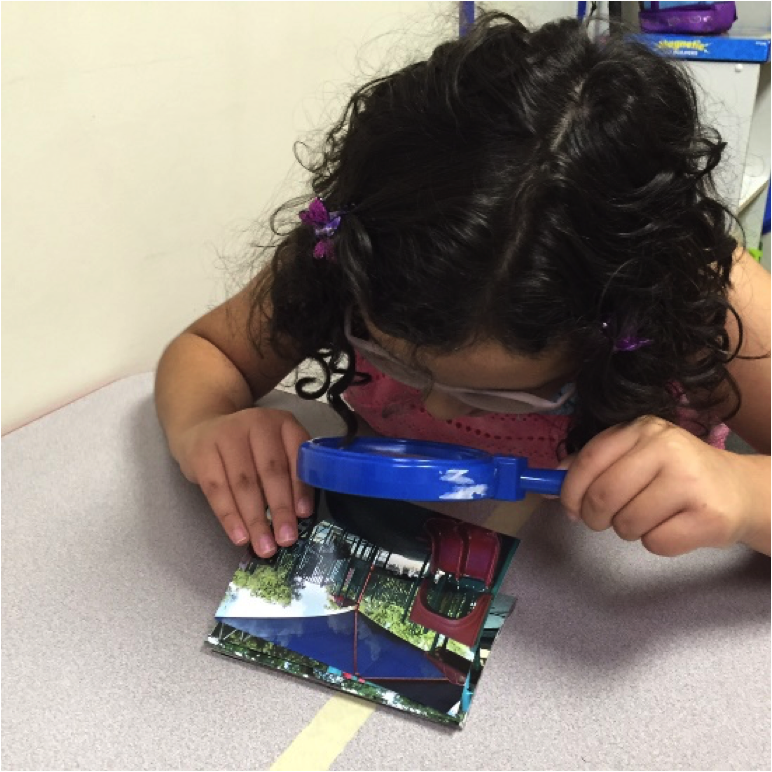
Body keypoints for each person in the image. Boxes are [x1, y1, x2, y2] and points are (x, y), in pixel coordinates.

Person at [155, 13, 771, 561]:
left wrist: (744, 496)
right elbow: (209, 351)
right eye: (386, 353)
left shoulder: (701, 296)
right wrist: (203, 425)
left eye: (509, 395)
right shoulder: (371, 254)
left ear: (621, 320)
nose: (440, 406)